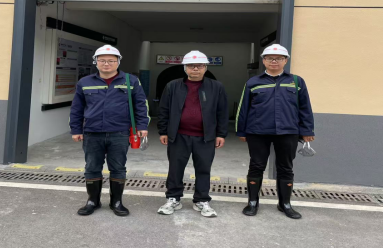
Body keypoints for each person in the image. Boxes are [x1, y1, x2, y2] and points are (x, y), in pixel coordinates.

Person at [236, 44, 315, 219]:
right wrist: (241, 131)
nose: (274, 61)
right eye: (270, 58)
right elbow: (243, 108)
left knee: (285, 167)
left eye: (279, 58)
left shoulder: (296, 81)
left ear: (285, 61)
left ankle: (285, 204)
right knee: (256, 166)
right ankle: (252, 202)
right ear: (264, 61)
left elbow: (305, 108)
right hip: (258, 132)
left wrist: (307, 130)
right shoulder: (253, 82)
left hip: (288, 131)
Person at [70, 45, 149, 217]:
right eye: (102, 60)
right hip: (92, 132)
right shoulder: (85, 82)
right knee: (92, 167)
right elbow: (76, 108)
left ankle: (116, 202)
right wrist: (76, 129)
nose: (106, 64)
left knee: (118, 168)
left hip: (119, 132)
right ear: (96, 62)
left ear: (118, 62)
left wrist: (142, 126)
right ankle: (93, 201)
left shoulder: (131, 81)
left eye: (111, 61)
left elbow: (141, 105)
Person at [157, 50, 229, 218]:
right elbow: (164, 109)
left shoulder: (216, 87)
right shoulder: (173, 86)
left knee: (203, 169)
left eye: (199, 66)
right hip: (178, 135)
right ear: (185, 68)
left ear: (205, 68)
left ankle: (201, 200)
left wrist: (221, 134)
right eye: (191, 66)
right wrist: (163, 131)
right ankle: (173, 198)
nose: (195, 69)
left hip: (205, 137)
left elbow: (222, 112)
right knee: (175, 169)